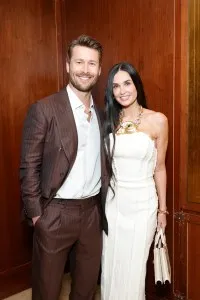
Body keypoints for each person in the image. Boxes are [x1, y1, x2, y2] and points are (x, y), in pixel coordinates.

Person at [20, 34, 108, 300]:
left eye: (92, 63)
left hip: (92, 214)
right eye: (79, 62)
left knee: (85, 289)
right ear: (67, 65)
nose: (85, 69)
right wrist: (38, 216)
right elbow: (28, 165)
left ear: (100, 70)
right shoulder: (44, 109)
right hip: (54, 214)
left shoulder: (102, 115)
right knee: (46, 291)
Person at [101, 62, 168, 300]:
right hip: (114, 204)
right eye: (116, 86)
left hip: (143, 206)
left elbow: (159, 168)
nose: (122, 90)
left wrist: (162, 210)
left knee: (135, 268)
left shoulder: (158, 120)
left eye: (127, 83)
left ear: (136, 84)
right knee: (113, 264)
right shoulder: (109, 120)